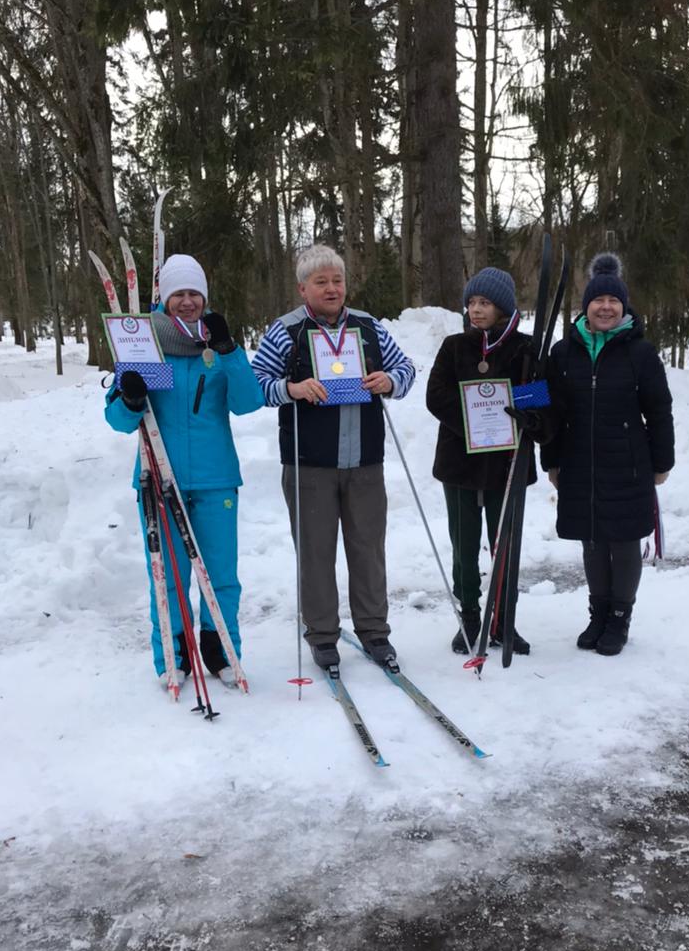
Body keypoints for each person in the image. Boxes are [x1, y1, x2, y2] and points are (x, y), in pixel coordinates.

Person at [251, 243, 415, 670]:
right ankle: (322, 635)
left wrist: (389, 380)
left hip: (364, 461)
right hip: (310, 463)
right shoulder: (286, 330)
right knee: (316, 552)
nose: (331, 288)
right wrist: (293, 389)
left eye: (337, 280)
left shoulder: (368, 327)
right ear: (303, 288)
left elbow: (406, 371)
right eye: (321, 282)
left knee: (368, 550)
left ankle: (374, 632)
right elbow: (257, 383)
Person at [105, 253, 264, 684]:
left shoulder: (217, 344)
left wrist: (229, 351)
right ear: (166, 298)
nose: (188, 301)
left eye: (195, 293)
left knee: (221, 575)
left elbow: (248, 403)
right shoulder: (143, 343)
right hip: (159, 475)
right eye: (180, 294)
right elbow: (118, 421)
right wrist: (132, 399)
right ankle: (173, 656)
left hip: (217, 479)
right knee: (169, 574)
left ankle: (221, 651)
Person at [517, 252, 674, 656]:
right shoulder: (563, 351)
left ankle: (619, 618)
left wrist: (662, 462)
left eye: (614, 302)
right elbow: (549, 408)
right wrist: (549, 457)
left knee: (622, 541)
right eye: (598, 301)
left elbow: (658, 408)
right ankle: (598, 613)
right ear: (586, 306)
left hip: (627, 461)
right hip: (577, 460)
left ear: (623, 307)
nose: (606, 308)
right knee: (590, 540)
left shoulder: (639, 352)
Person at [426, 266, 535, 655]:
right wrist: (473, 423)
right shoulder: (454, 347)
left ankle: (504, 619)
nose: (475, 309)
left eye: (484, 302)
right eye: (471, 302)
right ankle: (470, 616)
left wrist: (524, 412)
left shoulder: (525, 349)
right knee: (464, 544)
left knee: (504, 544)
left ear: (502, 308)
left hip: (507, 465)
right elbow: (436, 396)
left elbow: (539, 398)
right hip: (460, 464)